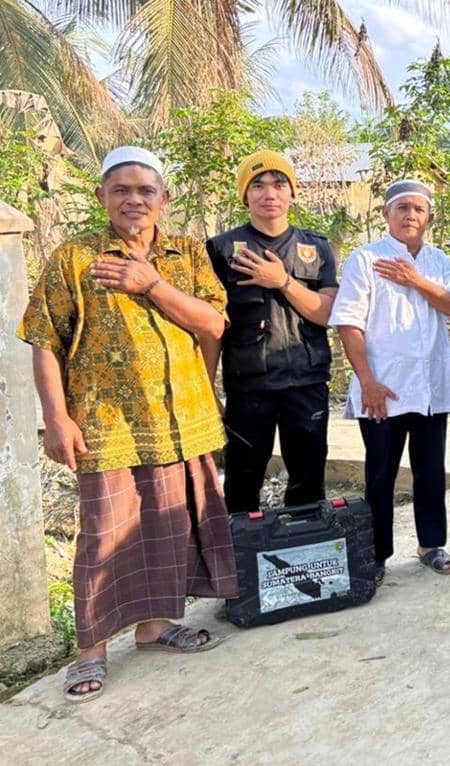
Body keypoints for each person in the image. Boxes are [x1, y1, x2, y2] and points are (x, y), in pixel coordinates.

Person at [19, 147, 237, 703]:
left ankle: (156, 626)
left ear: (163, 200)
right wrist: (56, 418)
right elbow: (45, 341)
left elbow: (213, 322)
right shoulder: (75, 257)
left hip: (181, 418)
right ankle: (90, 648)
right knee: (104, 536)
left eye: (145, 191)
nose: (134, 200)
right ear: (102, 198)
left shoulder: (186, 253)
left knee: (171, 528)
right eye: (122, 190)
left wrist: (151, 284)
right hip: (105, 423)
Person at [330, 180, 450, 585]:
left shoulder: (438, 261)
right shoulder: (366, 259)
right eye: (402, 208)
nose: (411, 215)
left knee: (431, 469)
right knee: (381, 473)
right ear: (386, 214)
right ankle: (377, 555)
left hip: (431, 388)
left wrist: (416, 280)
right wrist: (367, 381)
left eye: (419, 209)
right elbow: (349, 324)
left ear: (429, 217)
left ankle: (431, 545)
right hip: (384, 390)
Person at [206, 150, 339, 513]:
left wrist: (282, 280)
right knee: (242, 481)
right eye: (258, 185)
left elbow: (327, 313)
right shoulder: (220, 249)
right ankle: (240, 562)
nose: (270, 193)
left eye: (279, 184)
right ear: (244, 195)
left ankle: (306, 554)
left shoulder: (316, 247)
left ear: (292, 193)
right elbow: (211, 325)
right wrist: (207, 386)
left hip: (306, 384)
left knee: (308, 481)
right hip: (249, 387)